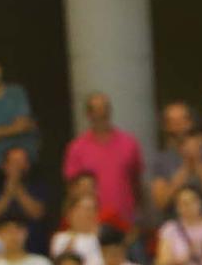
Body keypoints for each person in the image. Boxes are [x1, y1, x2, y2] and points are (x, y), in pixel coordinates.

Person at [62, 93, 144, 232]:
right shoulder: (76, 147)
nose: (101, 114)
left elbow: (137, 183)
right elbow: (72, 189)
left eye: (105, 108)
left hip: (126, 222)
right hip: (91, 224)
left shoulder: (129, 143)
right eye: (96, 110)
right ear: (88, 114)